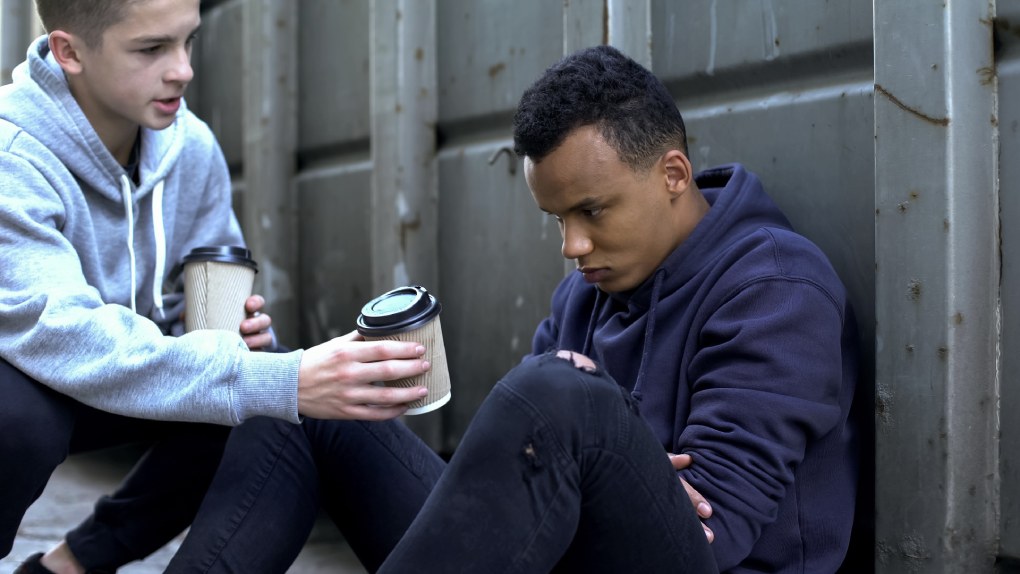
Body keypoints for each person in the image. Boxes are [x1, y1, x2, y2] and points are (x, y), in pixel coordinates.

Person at [159, 44, 862, 573]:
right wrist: (591, 450)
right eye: (556, 218)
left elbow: (712, 529)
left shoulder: (776, 288)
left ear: (673, 175)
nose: (572, 246)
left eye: (591, 210)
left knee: (555, 394)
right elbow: (537, 479)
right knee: (299, 399)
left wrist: (583, 429)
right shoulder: (592, 286)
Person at [0, 1, 435, 573]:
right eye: (152, 49)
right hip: (35, 379)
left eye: (189, 41)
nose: (183, 69)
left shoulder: (190, 146)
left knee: (250, 390)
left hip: (127, 368)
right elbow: (60, 332)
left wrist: (235, 332)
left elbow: (207, 320)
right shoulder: (13, 155)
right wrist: (272, 377)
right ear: (69, 51)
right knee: (17, 419)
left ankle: (72, 565)